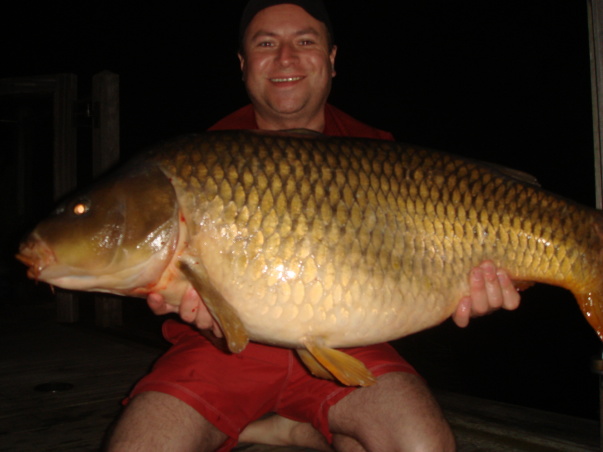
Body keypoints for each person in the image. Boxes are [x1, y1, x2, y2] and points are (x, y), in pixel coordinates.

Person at [106, 2, 521, 451]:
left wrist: (475, 289)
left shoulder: (383, 155)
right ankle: (287, 427)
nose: (286, 58)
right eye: (266, 44)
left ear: (332, 59)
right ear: (244, 65)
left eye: (305, 41)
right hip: (222, 354)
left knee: (420, 445)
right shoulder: (200, 159)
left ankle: (282, 427)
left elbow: (424, 275)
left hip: (349, 349)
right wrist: (210, 320)